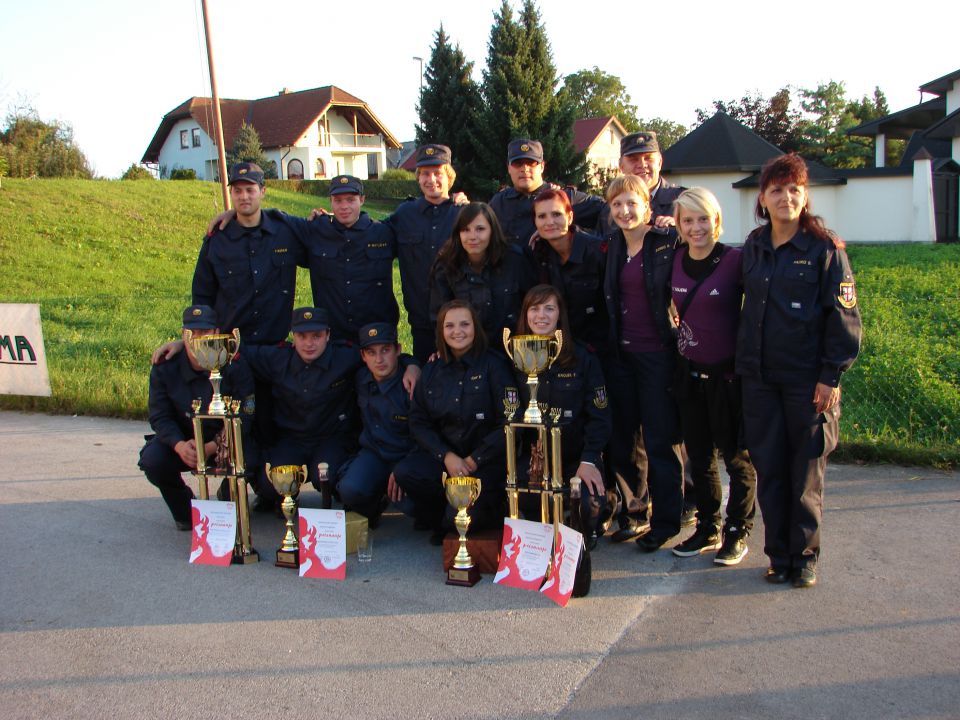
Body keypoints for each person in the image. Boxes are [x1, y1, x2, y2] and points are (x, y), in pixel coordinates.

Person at [737, 154, 861, 589]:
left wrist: (831, 376)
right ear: (763, 198)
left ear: (805, 196)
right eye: (777, 190)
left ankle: (805, 555)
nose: (785, 197)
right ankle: (779, 554)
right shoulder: (753, 245)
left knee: (806, 472)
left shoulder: (825, 249)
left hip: (807, 383)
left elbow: (844, 319)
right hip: (759, 380)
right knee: (770, 469)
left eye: (794, 189)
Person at [240, 307, 419, 504]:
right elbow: (240, 352)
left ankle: (370, 496)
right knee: (271, 485)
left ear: (328, 335)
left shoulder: (345, 356)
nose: (309, 343)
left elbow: (383, 353)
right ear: (293, 337)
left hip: (330, 438)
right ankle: (285, 501)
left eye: (316, 336)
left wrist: (412, 364)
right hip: (291, 439)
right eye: (302, 336)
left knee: (328, 479)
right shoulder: (277, 358)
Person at [667, 188, 757, 565]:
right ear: (679, 226)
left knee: (736, 460)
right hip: (690, 374)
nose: (696, 227)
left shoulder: (735, 261)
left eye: (703, 218)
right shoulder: (672, 259)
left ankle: (737, 532)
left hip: (729, 378)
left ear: (716, 220)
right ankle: (708, 527)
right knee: (700, 457)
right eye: (688, 220)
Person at [602, 175, 684, 552]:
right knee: (625, 440)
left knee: (660, 439)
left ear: (648, 207)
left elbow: (704, 248)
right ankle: (634, 514)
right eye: (617, 204)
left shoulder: (668, 240)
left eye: (632, 203)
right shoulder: (611, 245)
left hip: (658, 354)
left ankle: (667, 520)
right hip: (622, 355)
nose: (624, 211)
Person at [393, 300, 517, 545]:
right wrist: (446, 456)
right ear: (441, 331)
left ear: (475, 327)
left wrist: (474, 460)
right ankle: (443, 518)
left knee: (460, 519)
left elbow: (510, 421)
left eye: (464, 324)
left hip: (484, 465)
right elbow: (418, 422)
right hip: (447, 464)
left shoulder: (495, 365)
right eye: (449, 325)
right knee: (406, 472)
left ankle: (464, 519)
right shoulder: (431, 371)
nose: (457, 331)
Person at [511, 285, 612, 548]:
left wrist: (589, 460)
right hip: (536, 460)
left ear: (560, 315)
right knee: (522, 499)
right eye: (534, 308)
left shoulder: (582, 358)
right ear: (525, 314)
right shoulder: (514, 359)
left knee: (588, 505)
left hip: (576, 458)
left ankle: (593, 517)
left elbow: (600, 416)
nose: (541, 315)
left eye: (549, 308)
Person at [139, 305, 255, 530]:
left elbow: (245, 415)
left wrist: (212, 447)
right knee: (153, 461)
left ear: (217, 332)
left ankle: (229, 498)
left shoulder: (234, 364)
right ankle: (185, 511)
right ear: (183, 334)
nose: (198, 339)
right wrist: (179, 445)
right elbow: (159, 416)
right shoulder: (166, 366)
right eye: (192, 333)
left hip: (223, 443)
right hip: (185, 441)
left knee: (253, 457)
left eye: (205, 332)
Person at [191, 162, 305, 345]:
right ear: (231, 194)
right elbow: (202, 294)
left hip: (275, 350)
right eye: (237, 191)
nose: (244, 196)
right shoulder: (217, 240)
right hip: (231, 349)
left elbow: (323, 241)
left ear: (263, 192)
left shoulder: (285, 233)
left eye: (250, 190)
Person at [385, 144, 467, 362]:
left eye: (438, 173)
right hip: (421, 319)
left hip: (460, 319)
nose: (432, 180)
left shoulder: (464, 213)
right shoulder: (405, 214)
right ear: (418, 178)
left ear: (449, 176)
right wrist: (332, 220)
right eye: (425, 174)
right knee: (427, 380)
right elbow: (372, 235)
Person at [299, 175, 399, 342]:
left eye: (350, 200)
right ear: (330, 202)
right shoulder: (315, 231)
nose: (344, 206)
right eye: (338, 200)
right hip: (335, 335)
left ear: (362, 199)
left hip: (377, 336)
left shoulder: (384, 232)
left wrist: (457, 204)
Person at [336, 322, 414, 528]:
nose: (379, 359)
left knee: (415, 508)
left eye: (385, 350)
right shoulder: (361, 378)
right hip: (375, 454)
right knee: (349, 490)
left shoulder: (411, 384)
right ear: (363, 356)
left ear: (398, 350)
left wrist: (404, 469)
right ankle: (375, 503)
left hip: (405, 455)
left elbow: (424, 433)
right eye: (371, 352)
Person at [429, 202, 537, 345]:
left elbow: (534, 303)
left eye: (480, 229)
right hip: (467, 349)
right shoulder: (447, 266)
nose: (472, 236)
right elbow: (439, 315)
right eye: (465, 230)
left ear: (492, 230)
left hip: (512, 349)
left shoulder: (514, 260)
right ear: (458, 233)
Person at [530, 189, 609, 353]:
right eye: (542, 216)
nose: (549, 222)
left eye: (556, 214)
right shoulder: (538, 253)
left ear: (570, 217)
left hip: (601, 349)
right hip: (561, 348)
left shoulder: (598, 251)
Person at [489, 138, 604, 246]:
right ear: (509, 168)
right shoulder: (498, 203)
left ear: (542, 166)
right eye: (517, 163)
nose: (524, 169)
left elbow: (608, 209)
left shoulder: (563, 198)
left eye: (531, 163)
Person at [597, 132, 686, 237]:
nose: (642, 165)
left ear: (660, 163)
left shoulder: (683, 201)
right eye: (633, 159)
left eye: (648, 158)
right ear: (621, 166)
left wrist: (683, 226)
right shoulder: (610, 210)